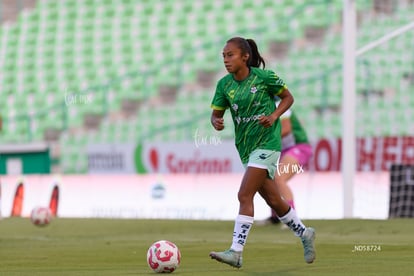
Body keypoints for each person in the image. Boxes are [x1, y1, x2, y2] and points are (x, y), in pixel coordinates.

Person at [209, 37, 316, 268]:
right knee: (274, 199)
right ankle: (305, 233)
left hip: (267, 145)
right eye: (224, 56)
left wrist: (274, 116)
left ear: (245, 56)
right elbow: (216, 113)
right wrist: (216, 121)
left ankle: (236, 252)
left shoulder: (264, 78)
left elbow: (288, 97)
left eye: (231, 55)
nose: (226, 60)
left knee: (244, 195)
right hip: (246, 148)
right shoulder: (224, 85)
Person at [265, 103, 313, 225]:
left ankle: (292, 219)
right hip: (284, 149)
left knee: (279, 178)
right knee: (270, 179)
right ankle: (275, 217)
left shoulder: (278, 105)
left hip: (298, 147)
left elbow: (286, 129)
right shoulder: (265, 108)